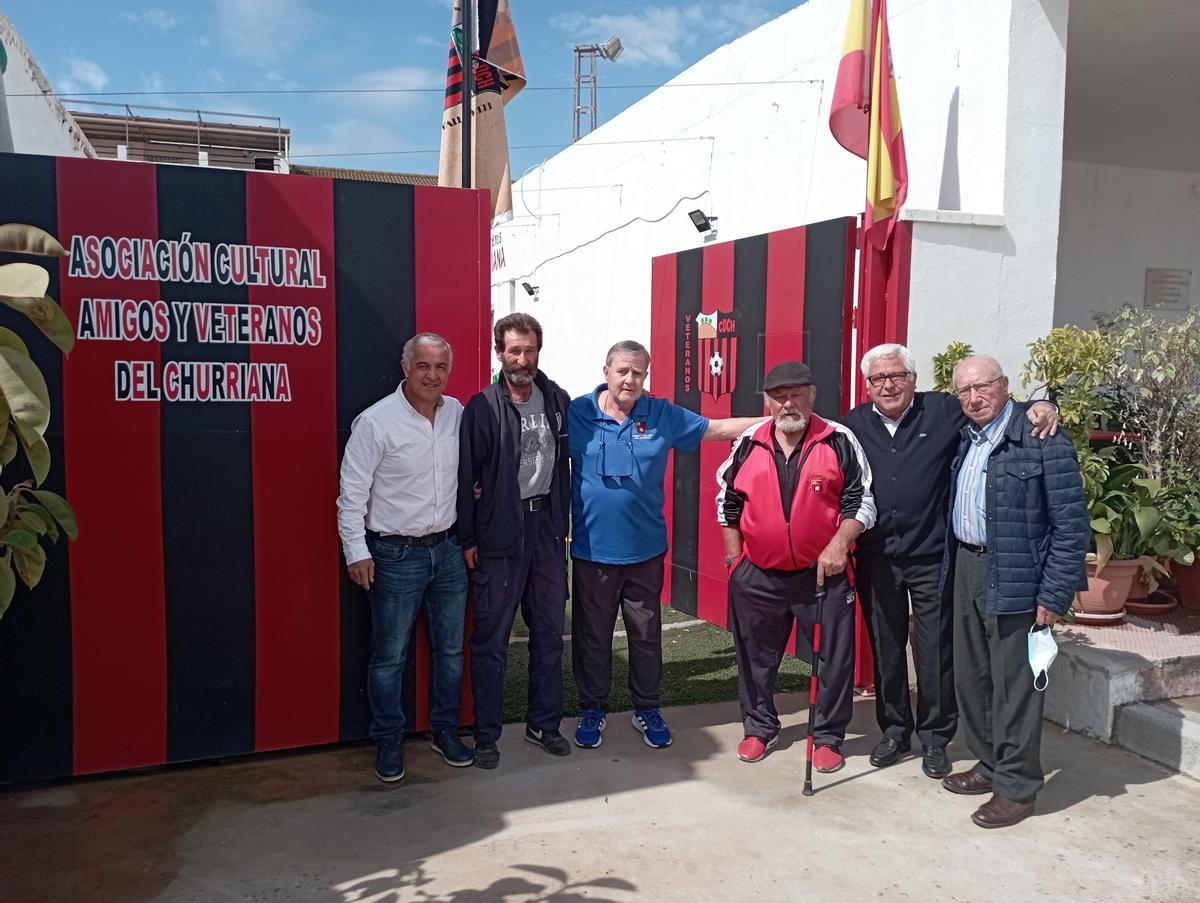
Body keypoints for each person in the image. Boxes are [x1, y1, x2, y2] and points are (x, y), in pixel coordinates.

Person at [842, 344, 1058, 779]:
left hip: (934, 559)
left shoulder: (943, 409)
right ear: (867, 386)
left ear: (913, 379)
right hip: (876, 557)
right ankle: (894, 730)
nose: (888, 385)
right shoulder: (852, 425)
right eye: (878, 379)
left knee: (936, 651)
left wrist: (1044, 405)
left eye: (897, 375)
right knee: (885, 648)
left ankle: (936, 738)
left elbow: (997, 409)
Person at [569, 339, 766, 750]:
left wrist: (778, 420)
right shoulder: (578, 413)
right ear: (606, 372)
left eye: (638, 372)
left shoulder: (661, 414)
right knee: (592, 635)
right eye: (623, 370)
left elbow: (715, 429)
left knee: (645, 634)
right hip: (592, 552)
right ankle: (593, 709)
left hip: (645, 551)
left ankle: (647, 707)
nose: (630, 379)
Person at [940, 355, 1088, 829]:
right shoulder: (966, 438)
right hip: (967, 566)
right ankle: (990, 764)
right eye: (964, 390)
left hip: (1019, 578)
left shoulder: (1042, 437)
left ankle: (1018, 787)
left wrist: (1054, 593)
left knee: (1016, 688)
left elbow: (1071, 525)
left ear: (1005, 387)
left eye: (982, 387)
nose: (973, 398)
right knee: (974, 679)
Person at [715, 361, 876, 769]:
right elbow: (727, 503)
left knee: (834, 659)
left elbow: (862, 501)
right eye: (779, 396)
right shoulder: (749, 442)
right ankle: (758, 728)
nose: (788, 403)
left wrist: (841, 543)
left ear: (812, 395)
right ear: (767, 402)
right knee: (755, 657)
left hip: (823, 575)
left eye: (796, 394)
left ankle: (827, 737)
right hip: (758, 575)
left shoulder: (838, 439)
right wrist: (735, 559)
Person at [336, 332, 473, 783]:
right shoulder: (376, 423)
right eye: (423, 366)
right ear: (406, 368)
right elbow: (351, 495)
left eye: (440, 367)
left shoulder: (456, 413)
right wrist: (356, 550)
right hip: (393, 555)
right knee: (390, 657)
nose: (432, 376)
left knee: (451, 652)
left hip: (448, 552)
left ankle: (444, 731)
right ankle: (389, 740)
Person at [457, 313, 571, 769]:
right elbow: (466, 477)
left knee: (549, 634)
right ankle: (486, 736)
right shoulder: (482, 407)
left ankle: (544, 725)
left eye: (529, 349)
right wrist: (469, 536)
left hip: (544, 530)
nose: (522, 358)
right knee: (491, 640)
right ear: (498, 353)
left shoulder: (557, 398)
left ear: (539, 351)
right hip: (500, 534)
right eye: (514, 350)